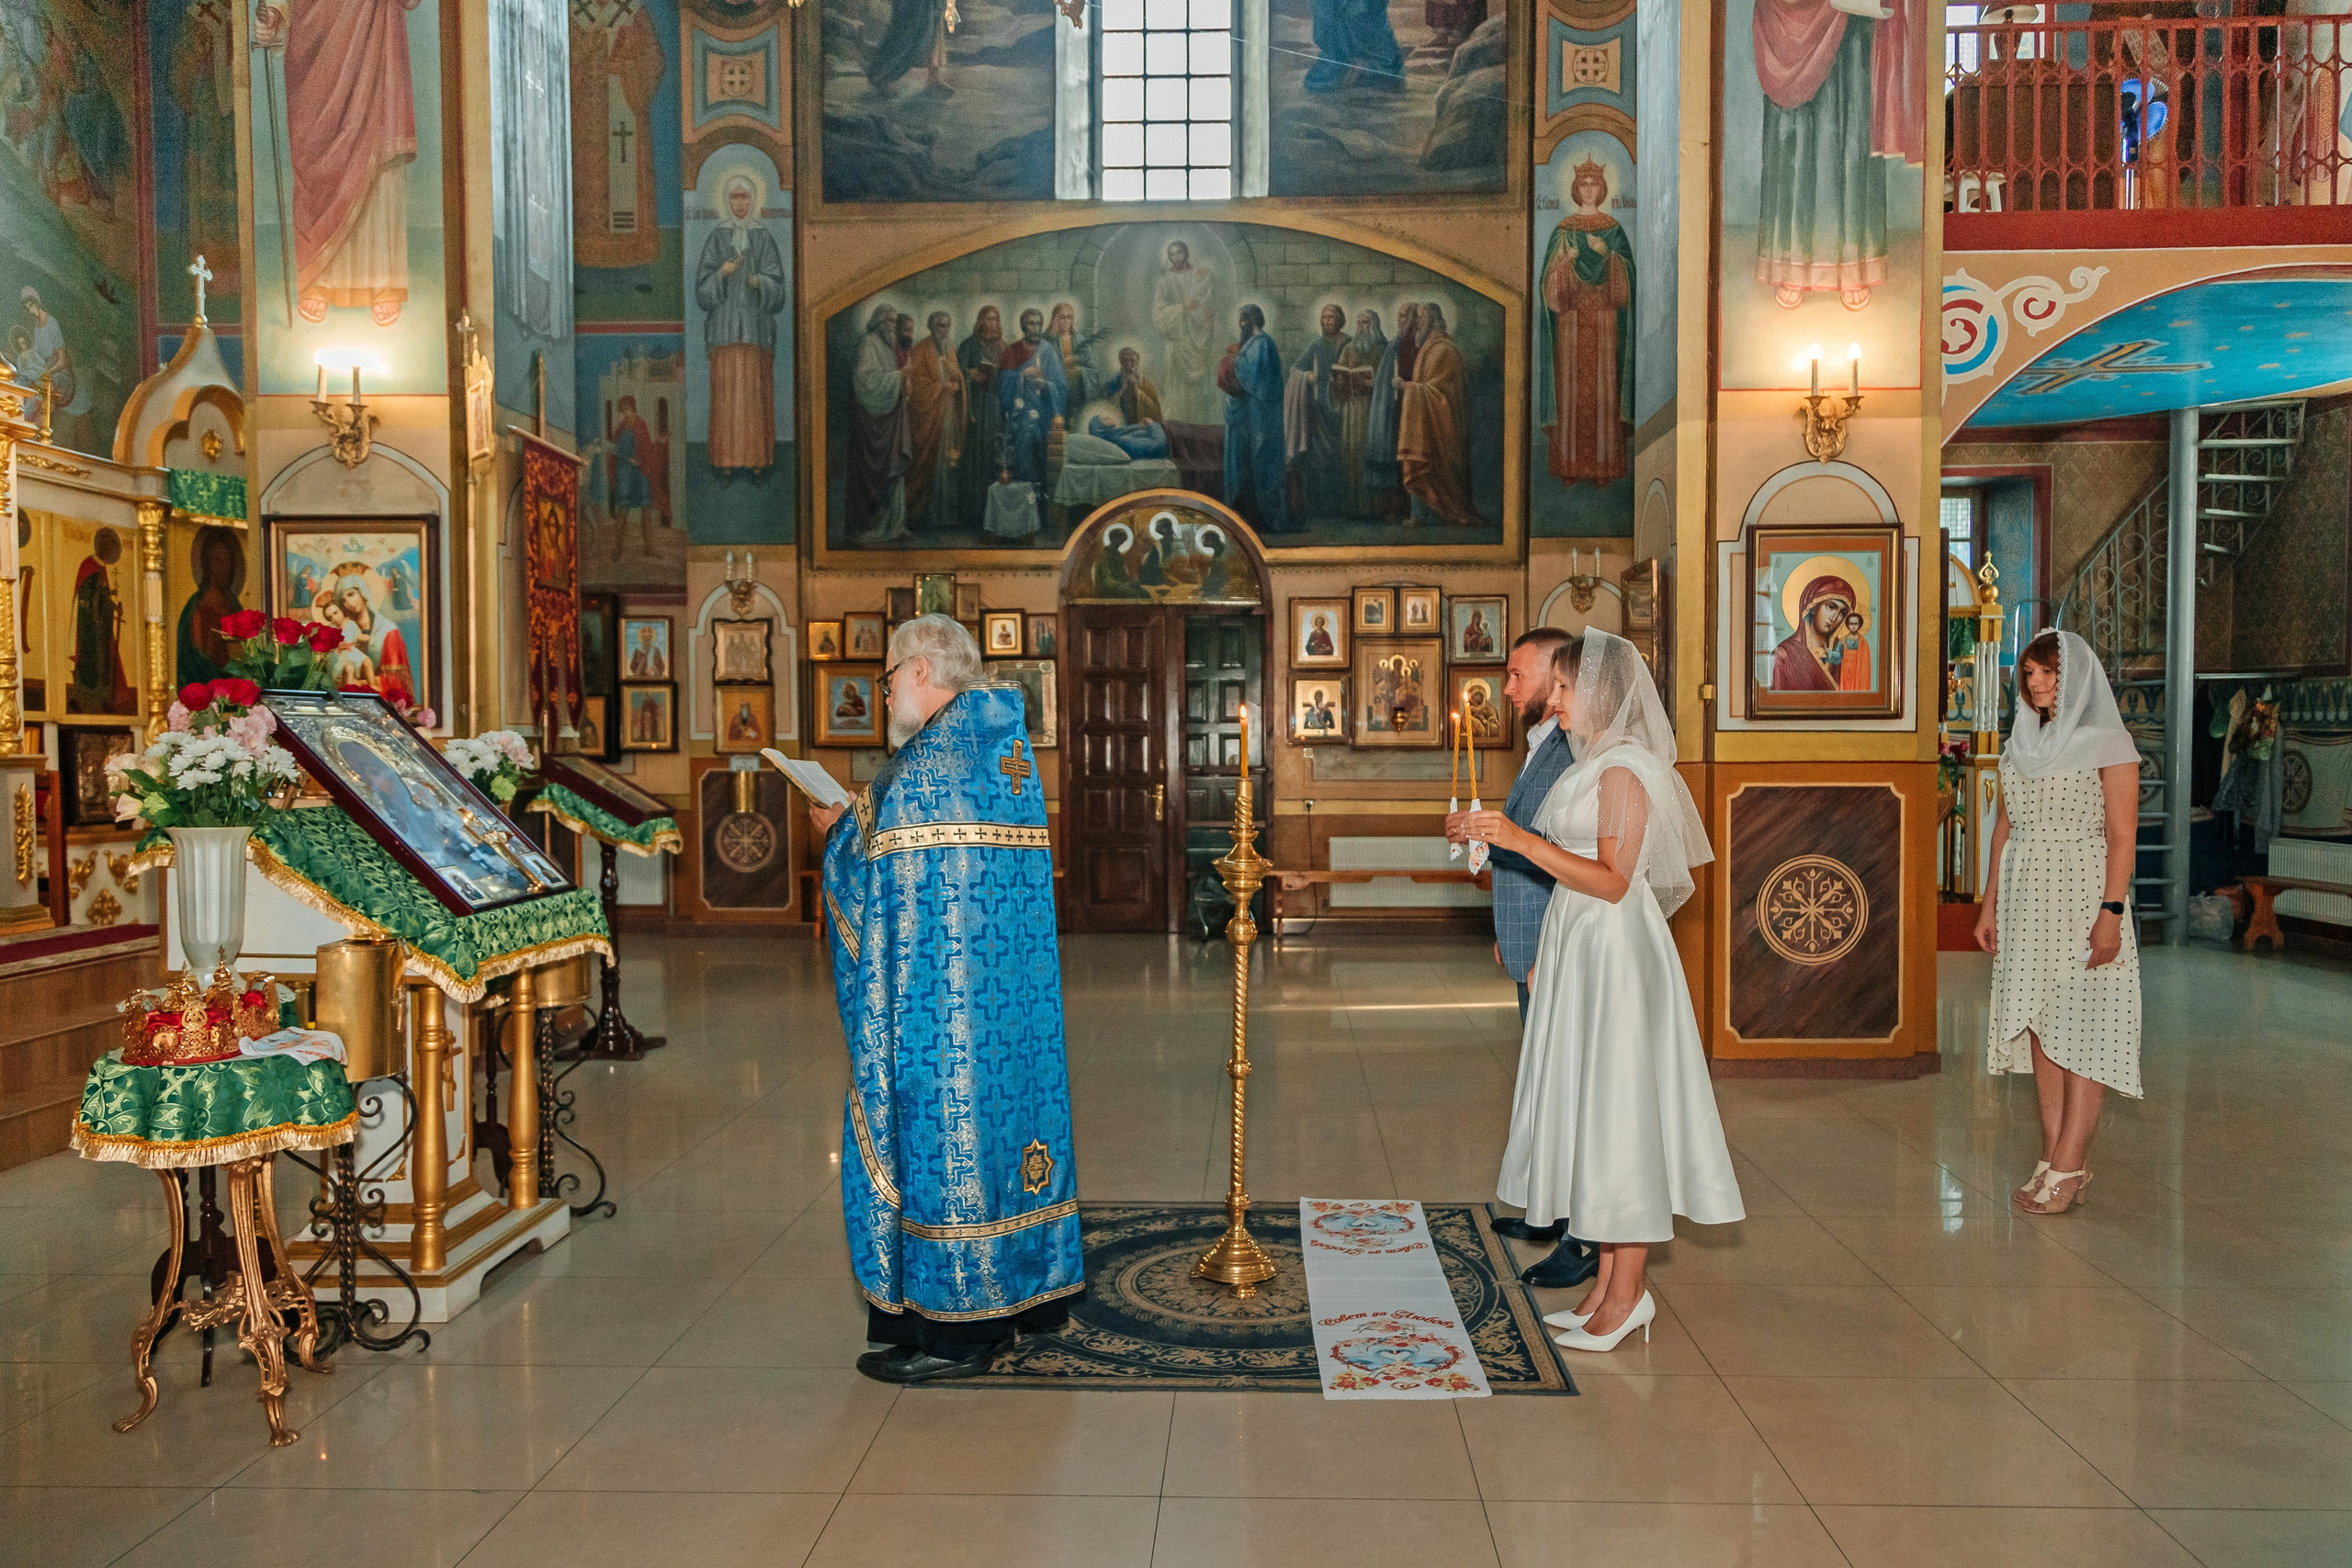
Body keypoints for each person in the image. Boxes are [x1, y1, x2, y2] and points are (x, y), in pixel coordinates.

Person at [1449, 629, 1742, 1350]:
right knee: (1594, 1114)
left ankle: (1630, 1292)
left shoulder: (1626, 768)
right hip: (1580, 940)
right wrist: (1497, 838)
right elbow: (1568, 859)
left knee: (1621, 1117)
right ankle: (1607, 1288)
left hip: (1613, 949)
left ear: (1600, 693)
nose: (1555, 698)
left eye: (1566, 688)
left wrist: (1517, 841)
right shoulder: (1592, 761)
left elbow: (1614, 879)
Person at [808, 616, 1083, 1382]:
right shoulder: (1006, 746)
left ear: (923, 670)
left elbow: (874, 867)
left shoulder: (927, 762)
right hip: (1013, 1007)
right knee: (1014, 1135)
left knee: (948, 1143)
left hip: (943, 1010)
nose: (886, 687)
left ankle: (961, 1332)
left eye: (891, 673)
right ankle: (1025, 1298)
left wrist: (836, 832)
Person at [1975, 628, 2143, 1215]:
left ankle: (2072, 1163)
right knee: (2043, 1026)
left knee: (2087, 1028)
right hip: (2026, 897)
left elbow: (2123, 836)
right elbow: (2004, 824)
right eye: (2029, 674)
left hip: (2082, 891)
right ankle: (2053, 1154)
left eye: (2048, 672)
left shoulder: (2109, 743)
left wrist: (2110, 914)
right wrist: (1989, 901)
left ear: (2075, 676)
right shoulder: (2022, 739)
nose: (2038, 683)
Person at [1477, 628, 1588, 1276]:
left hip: (1562, 943)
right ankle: (1550, 1209)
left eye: (1520, 675)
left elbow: (1564, 854)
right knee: (1546, 1082)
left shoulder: (1576, 750)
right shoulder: (1541, 743)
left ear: (1557, 675)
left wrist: (1543, 939)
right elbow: (1527, 840)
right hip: (1533, 939)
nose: (1508, 687)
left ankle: (1583, 1232)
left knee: (1571, 1087)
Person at [1538, 158, 1634, 488]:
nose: (1589, 189)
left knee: (1603, 392)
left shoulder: (1613, 230)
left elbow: (1628, 285)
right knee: (1572, 393)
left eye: (1594, 184)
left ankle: (1603, 467)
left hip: (1605, 320)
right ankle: (1571, 466)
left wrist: (1609, 253)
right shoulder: (1563, 230)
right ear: (1575, 190)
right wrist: (1565, 262)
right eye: (1584, 185)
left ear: (1603, 189)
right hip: (1572, 321)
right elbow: (1549, 287)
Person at [694, 172, 788, 476]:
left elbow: (778, 287)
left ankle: (757, 462)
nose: (739, 203)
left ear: (753, 200)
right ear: (727, 201)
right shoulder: (716, 238)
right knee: (726, 398)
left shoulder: (763, 237)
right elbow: (702, 289)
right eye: (734, 197)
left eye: (745, 196)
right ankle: (725, 462)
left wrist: (760, 280)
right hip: (724, 332)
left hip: (755, 331)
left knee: (753, 397)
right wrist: (721, 272)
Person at [1396, 300, 1482, 527]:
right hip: (1427, 420)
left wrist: (1408, 388)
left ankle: (1439, 514)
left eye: (1421, 319)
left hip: (1442, 425)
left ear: (1432, 321)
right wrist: (1413, 388)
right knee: (1422, 459)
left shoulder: (1445, 350)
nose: (1417, 325)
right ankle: (1422, 515)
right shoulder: (1429, 348)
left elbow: (1442, 394)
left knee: (1435, 465)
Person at [1221, 303, 1288, 535]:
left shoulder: (1262, 344)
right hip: (1248, 415)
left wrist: (1233, 360)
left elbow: (1254, 377)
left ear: (1251, 320)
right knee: (1245, 462)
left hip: (1261, 416)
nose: (1240, 324)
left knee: (1261, 461)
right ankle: (1247, 515)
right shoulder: (1252, 344)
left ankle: (1265, 518)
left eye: (1242, 320)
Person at [849, 301, 911, 542]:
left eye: (895, 322)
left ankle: (895, 525)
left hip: (892, 418)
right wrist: (899, 376)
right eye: (890, 321)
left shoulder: (887, 347)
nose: (893, 327)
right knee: (880, 472)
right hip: (873, 423)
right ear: (878, 321)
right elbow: (866, 381)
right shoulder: (868, 343)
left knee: (895, 469)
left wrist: (902, 381)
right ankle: (876, 526)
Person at [1288, 303, 1350, 520]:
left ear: (1339, 320)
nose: (1326, 322)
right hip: (1319, 407)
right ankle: (1319, 508)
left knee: (1342, 458)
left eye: (1331, 317)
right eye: (1323, 318)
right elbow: (1295, 369)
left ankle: (1340, 507)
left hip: (1344, 407)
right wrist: (1306, 377)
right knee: (1319, 459)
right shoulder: (1316, 344)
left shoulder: (1348, 343)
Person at [904, 310, 965, 529]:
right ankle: (923, 516)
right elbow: (916, 383)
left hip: (947, 416)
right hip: (929, 417)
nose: (944, 330)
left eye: (947, 325)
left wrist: (956, 382)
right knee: (926, 462)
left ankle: (945, 516)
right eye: (940, 325)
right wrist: (941, 387)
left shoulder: (950, 349)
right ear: (931, 327)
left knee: (948, 461)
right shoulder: (921, 349)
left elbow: (958, 377)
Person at [1150, 240, 1216, 423]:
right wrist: (1181, 308)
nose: (1176, 258)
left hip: (1196, 341)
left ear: (1186, 253)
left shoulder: (1199, 276)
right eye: (1172, 254)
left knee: (1195, 392)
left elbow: (1208, 307)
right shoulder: (1165, 279)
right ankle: (1176, 428)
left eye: (1179, 253)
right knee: (1176, 389)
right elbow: (1158, 313)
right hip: (1176, 341)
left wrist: (1199, 310)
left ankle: (1196, 427)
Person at [1771, 572, 1871, 693]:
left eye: (1843, 613)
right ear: (1812, 607)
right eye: (1831, 607)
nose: (1834, 618)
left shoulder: (1844, 649)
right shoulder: (1783, 656)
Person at [956, 306, 1009, 521]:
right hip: (975, 406)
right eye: (988, 319)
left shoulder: (1004, 347)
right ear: (980, 322)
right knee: (973, 455)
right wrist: (970, 376)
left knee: (994, 452)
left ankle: (994, 514)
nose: (992, 324)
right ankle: (971, 512)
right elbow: (957, 374)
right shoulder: (969, 345)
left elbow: (1009, 377)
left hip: (995, 407)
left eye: (995, 319)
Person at [1334, 310, 1385, 515]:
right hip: (1351, 409)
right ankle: (1353, 507)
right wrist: (1338, 380)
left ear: (1374, 325)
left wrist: (1375, 383)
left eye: (1365, 323)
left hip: (1373, 409)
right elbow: (1340, 374)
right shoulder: (1348, 348)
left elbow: (1388, 379)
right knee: (1351, 453)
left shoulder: (1382, 349)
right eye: (1359, 322)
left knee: (1368, 454)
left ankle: (1373, 508)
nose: (1361, 326)